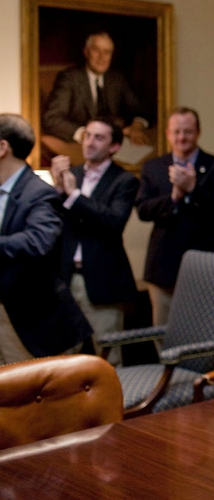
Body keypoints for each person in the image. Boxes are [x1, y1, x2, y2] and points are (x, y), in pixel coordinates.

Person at [0, 113, 91, 364]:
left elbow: (38, 241)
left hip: (30, 320)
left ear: (2, 147)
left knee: (31, 398)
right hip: (5, 314)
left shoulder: (40, 193)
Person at [50, 117, 140, 364]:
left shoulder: (124, 180)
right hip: (67, 278)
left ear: (114, 146)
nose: (89, 142)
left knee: (108, 357)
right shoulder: (72, 175)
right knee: (62, 356)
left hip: (104, 281)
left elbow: (114, 221)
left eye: (99, 137)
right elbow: (54, 224)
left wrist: (74, 195)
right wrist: (58, 191)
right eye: (87, 135)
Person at [136, 107, 214, 325]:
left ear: (198, 132)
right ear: (168, 134)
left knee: (208, 329)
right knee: (165, 332)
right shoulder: (153, 167)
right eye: (176, 131)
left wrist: (193, 188)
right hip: (163, 266)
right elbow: (142, 210)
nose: (182, 137)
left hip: (208, 263)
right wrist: (173, 197)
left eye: (188, 131)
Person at [42, 31, 150, 147]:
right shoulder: (69, 78)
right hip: (80, 147)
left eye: (107, 52)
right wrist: (85, 134)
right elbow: (51, 119)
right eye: (96, 50)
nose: (101, 57)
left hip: (114, 144)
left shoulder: (117, 79)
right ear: (86, 52)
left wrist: (136, 127)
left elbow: (139, 109)